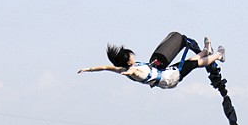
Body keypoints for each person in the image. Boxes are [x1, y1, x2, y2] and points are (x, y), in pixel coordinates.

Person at [78, 34, 225, 89]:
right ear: (128, 62)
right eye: (131, 56)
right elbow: (132, 71)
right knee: (193, 64)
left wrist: (88, 69)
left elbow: (104, 67)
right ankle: (218, 55)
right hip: (169, 79)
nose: (133, 57)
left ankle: (206, 51)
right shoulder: (131, 70)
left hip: (164, 73)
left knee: (189, 61)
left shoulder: (123, 68)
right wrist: (127, 72)